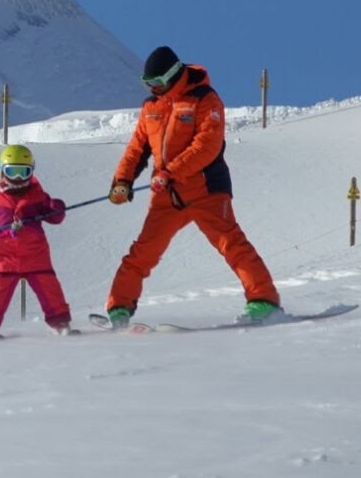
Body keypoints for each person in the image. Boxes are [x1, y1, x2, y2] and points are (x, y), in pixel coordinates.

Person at [104, 45, 281, 327]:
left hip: (205, 189)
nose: (154, 89)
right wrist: (122, 181)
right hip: (168, 195)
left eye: (158, 83)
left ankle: (264, 301)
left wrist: (170, 172)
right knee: (143, 251)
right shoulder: (151, 107)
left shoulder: (205, 99)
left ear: (174, 75)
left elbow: (207, 145)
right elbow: (137, 148)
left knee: (231, 243)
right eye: (148, 84)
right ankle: (119, 309)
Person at [0, 144, 73, 338]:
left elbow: (55, 218)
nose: (18, 178)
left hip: (36, 255)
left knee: (49, 287)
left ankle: (60, 323)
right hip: (6, 257)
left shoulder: (38, 197)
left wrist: (56, 207)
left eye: (23, 172)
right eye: (13, 171)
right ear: (2, 171)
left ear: (31, 172)